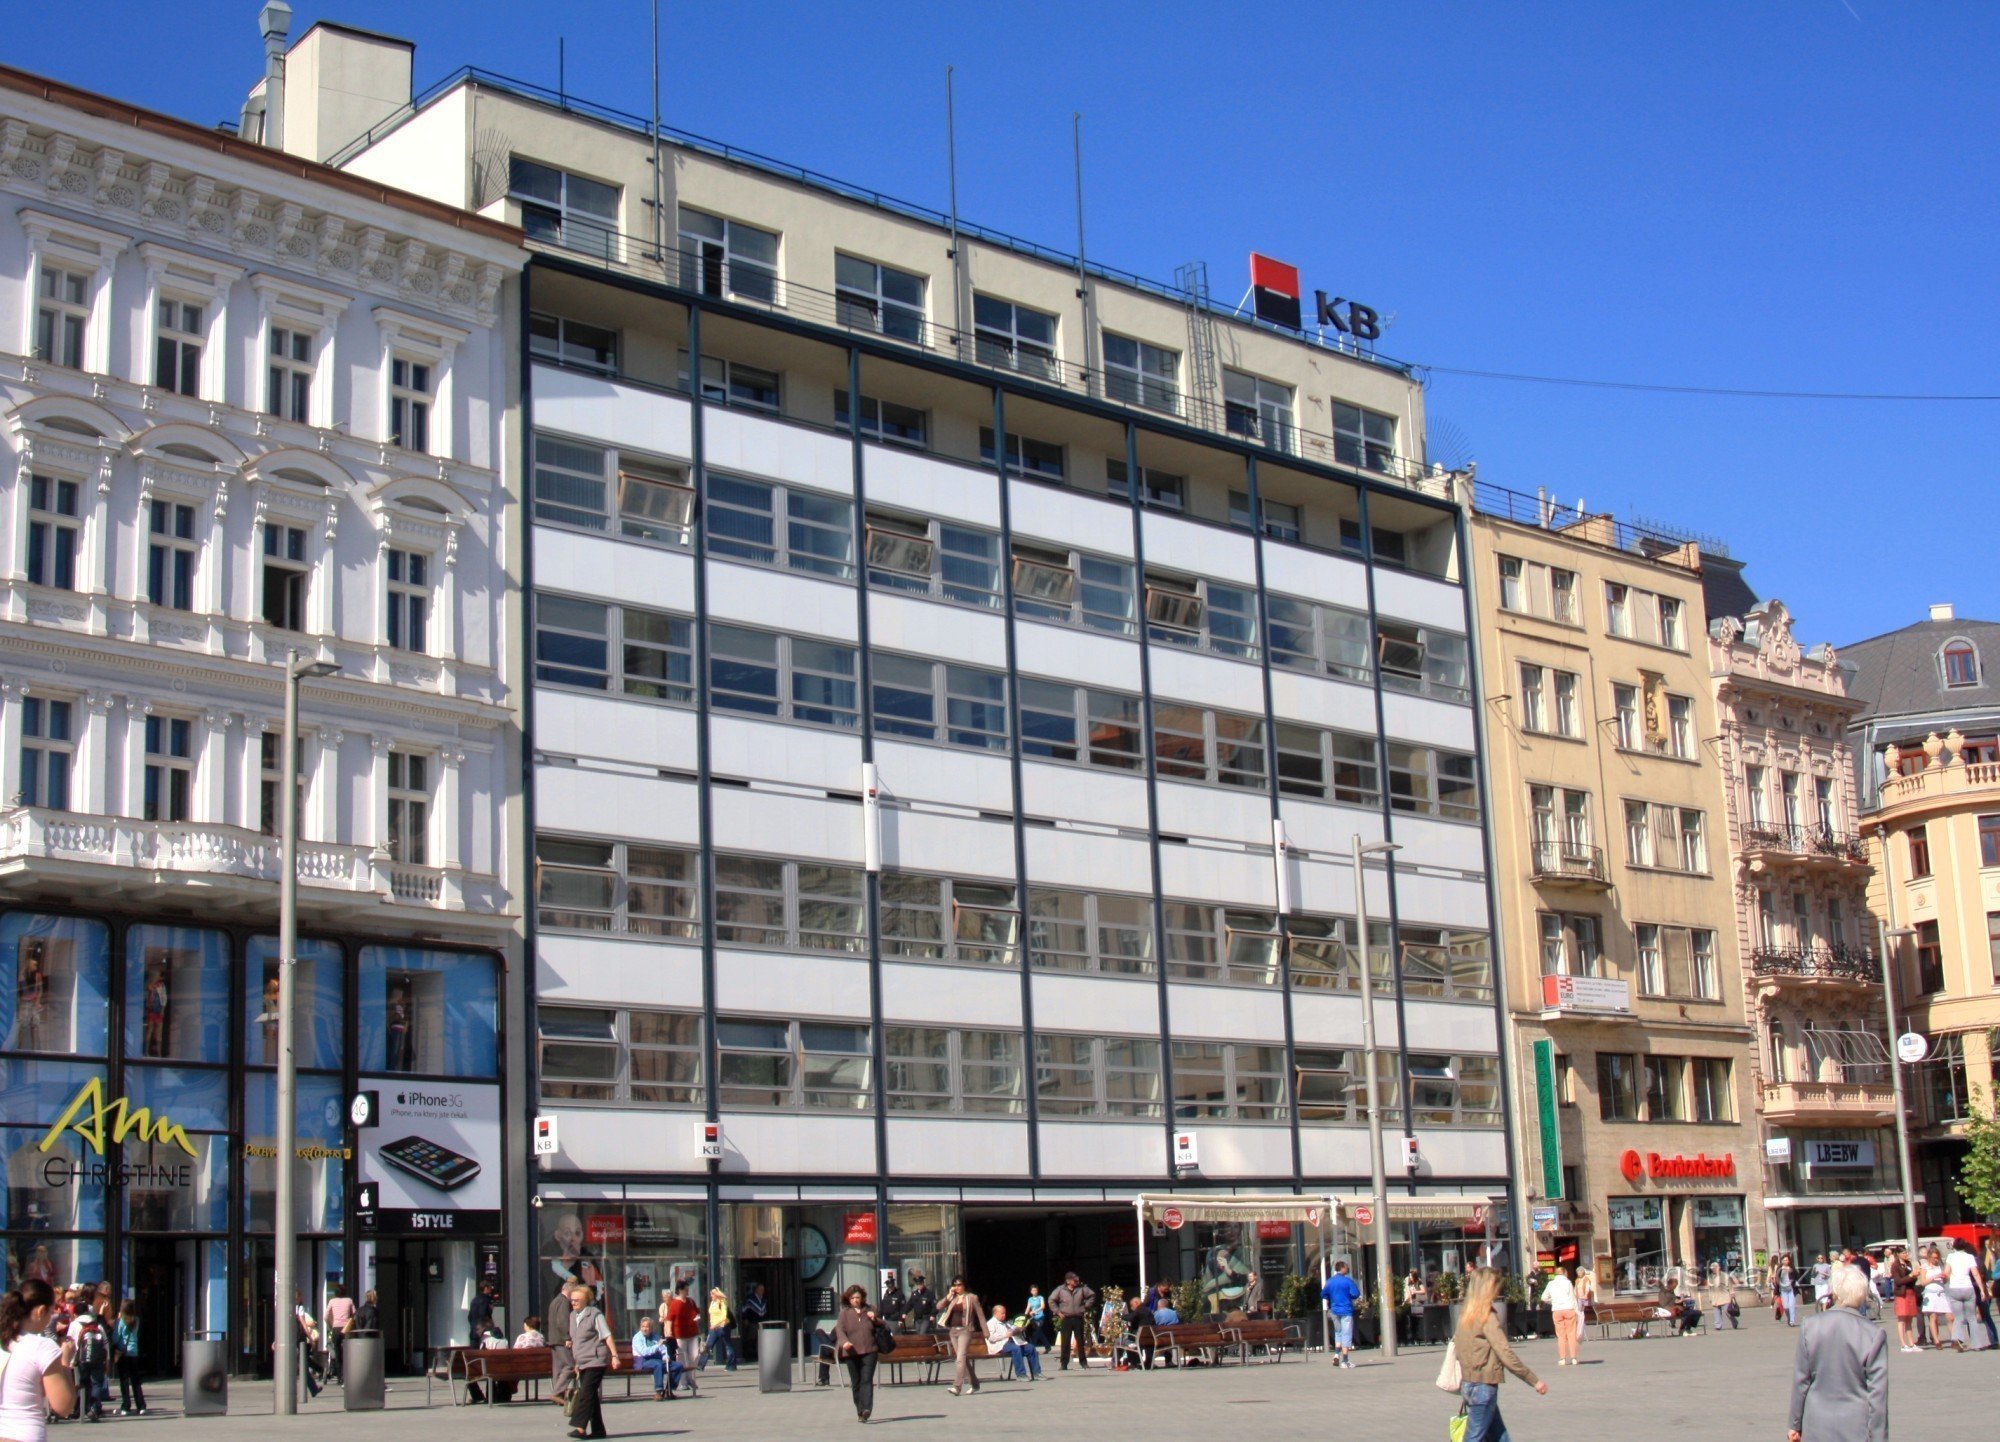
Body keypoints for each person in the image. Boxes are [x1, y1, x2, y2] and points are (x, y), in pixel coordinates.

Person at [1787, 1263, 1887, 1442]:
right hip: (1856, 1424)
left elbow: (1801, 1380)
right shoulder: (1873, 1334)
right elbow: (1877, 1395)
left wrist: (1795, 1424)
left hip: (1816, 1423)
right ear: (1862, 1295)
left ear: (1834, 1292)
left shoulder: (1810, 1326)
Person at [1453, 1266, 1546, 1442]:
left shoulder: (1465, 1315)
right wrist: (1534, 1380)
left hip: (1469, 1383)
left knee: (1499, 1436)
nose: (1498, 1291)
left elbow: (1459, 1349)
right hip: (1483, 1385)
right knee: (1474, 1437)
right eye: (1496, 1286)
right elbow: (1505, 1353)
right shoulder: (1486, 1316)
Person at [0, 1279, 77, 1442]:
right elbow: (63, 1406)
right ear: (41, 1311)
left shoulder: (4, 1342)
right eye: (51, 1312)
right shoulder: (42, 1347)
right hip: (25, 1434)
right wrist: (66, 1363)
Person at [567, 1284, 618, 1440]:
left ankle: (580, 1427)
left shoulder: (595, 1314)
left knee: (586, 1393)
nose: (573, 1303)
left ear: (586, 1300)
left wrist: (615, 1355)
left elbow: (607, 1335)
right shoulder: (572, 1316)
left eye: (577, 1300)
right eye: (572, 1300)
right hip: (582, 1361)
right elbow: (576, 1340)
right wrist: (576, 1363)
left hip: (596, 1359)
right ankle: (598, 1430)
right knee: (591, 1396)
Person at [833, 1284, 880, 1422]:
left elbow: (883, 1325)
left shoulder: (870, 1310)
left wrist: (875, 1319)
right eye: (853, 1298)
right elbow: (839, 1330)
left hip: (870, 1350)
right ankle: (859, 1410)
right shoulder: (844, 1313)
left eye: (858, 1297)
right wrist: (844, 1342)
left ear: (862, 1298)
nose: (855, 1300)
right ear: (848, 1299)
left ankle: (866, 1409)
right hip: (851, 1352)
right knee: (856, 1382)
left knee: (867, 1379)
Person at [937, 1276, 987, 1396]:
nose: (957, 1287)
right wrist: (947, 1297)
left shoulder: (972, 1297)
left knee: (960, 1358)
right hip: (953, 1331)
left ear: (964, 1285)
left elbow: (980, 1315)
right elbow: (938, 1307)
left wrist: (986, 1332)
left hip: (966, 1330)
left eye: (959, 1285)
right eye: (955, 1285)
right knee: (963, 1359)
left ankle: (957, 1386)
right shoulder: (952, 1297)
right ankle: (975, 1384)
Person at [1943, 1238, 1985, 1352]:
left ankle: (1956, 1338)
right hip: (1968, 1287)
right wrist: (1981, 1290)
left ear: (1954, 1247)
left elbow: (1946, 1272)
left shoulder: (1951, 1257)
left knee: (1958, 1317)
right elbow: (1975, 1274)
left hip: (1955, 1288)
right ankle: (1977, 1344)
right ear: (1965, 1246)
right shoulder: (1969, 1257)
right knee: (1971, 1318)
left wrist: (1944, 1278)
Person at [69, 1305, 107, 1422]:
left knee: (83, 1383)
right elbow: (105, 1344)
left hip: (82, 1359)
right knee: (96, 1383)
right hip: (98, 1359)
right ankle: (94, 1409)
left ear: (75, 1314)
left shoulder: (74, 1324)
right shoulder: (98, 1325)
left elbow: (70, 1342)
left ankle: (80, 1410)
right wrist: (107, 1361)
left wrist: (71, 1360)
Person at [1321, 1260, 1361, 1371]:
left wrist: (1331, 1298)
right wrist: (1347, 1296)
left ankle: (1336, 1354)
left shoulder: (1330, 1281)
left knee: (1338, 1332)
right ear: (1342, 1268)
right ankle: (1345, 1361)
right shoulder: (1348, 1281)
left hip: (1334, 1310)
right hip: (1346, 1310)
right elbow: (1356, 1294)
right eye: (1346, 1267)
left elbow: (1323, 1294)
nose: (1347, 1269)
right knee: (1346, 1334)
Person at [1050, 1272, 1094, 1370]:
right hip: (1066, 1318)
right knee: (1065, 1342)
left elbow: (1092, 1295)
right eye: (1074, 1280)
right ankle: (1064, 1364)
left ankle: (1083, 1363)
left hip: (1078, 1317)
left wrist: (1086, 1306)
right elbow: (1051, 1300)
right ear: (1068, 1281)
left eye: (1077, 1280)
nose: (1077, 1281)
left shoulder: (1082, 1288)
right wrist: (1058, 1312)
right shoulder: (1060, 1290)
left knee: (1080, 1341)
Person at [663, 1281, 701, 1394]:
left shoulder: (690, 1301)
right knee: (681, 1359)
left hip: (692, 1333)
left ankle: (691, 1379)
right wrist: (669, 1331)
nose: (687, 1291)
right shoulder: (674, 1303)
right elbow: (669, 1319)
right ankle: (683, 1382)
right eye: (685, 1289)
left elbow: (697, 1313)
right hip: (679, 1334)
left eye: (688, 1289)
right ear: (680, 1290)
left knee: (695, 1356)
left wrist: (697, 1318)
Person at [985, 1303, 1041, 1379]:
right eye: (1002, 1313)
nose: (1004, 1315)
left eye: (1005, 1313)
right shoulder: (990, 1323)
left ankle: (1037, 1373)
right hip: (999, 1345)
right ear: (995, 1313)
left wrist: (1019, 1329)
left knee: (1030, 1348)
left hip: (1011, 1342)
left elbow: (1012, 1331)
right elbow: (990, 1337)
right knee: (1016, 1349)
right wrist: (1005, 1335)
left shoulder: (1005, 1322)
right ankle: (1021, 1374)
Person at [1541, 1263, 1581, 1367]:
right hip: (1568, 1308)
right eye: (1566, 1272)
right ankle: (1573, 1358)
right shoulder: (1567, 1283)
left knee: (1561, 1335)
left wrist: (1553, 1302)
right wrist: (1577, 1312)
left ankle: (1562, 1358)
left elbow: (1544, 1297)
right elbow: (1573, 1298)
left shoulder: (1551, 1283)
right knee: (1571, 1334)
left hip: (1557, 1310)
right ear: (1563, 1273)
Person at [110, 1301, 144, 1416]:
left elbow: (115, 1338)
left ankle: (126, 1405)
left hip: (123, 1353)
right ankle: (141, 1405)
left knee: (124, 1380)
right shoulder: (136, 1320)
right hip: (134, 1352)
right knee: (136, 1380)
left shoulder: (120, 1322)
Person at [630, 1317, 672, 1400]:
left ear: (651, 1328)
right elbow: (644, 1352)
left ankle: (669, 1390)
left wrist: (665, 1356)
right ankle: (658, 1391)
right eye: (643, 1326)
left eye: (647, 1327)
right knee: (658, 1365)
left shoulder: (655, 1336)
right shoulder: (637, 1338)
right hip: (643, 1360)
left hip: (657, 1359)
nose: (645, 1329)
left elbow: (663, 1348)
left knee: (677, 1366)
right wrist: (657, 1346)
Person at [548, 1281, 576, 1404]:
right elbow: (563, 1321)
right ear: (569, 1291)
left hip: (554, 1339)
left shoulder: (555, 1301)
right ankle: (556, 1392)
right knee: (570, 1366)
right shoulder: (564, 1302)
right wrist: (567, 1338)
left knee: (558, 1369)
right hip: (561, 1339)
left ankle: (557, 1395)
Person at [1920, 1246, 1952, 1349]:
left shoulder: (1939, 1266)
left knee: (1949, 1317)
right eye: (1934, 1257)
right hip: (1930, 1293)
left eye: (1937, 1257)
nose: (1936, 1259)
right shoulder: (1924, 1267)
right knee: (1933, 1317)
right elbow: (1923, 1282)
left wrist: (1944, 1277)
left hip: (1941, 1293)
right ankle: (1937, 1341)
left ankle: (1954, 1339)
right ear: (1929, 1257)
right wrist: (1934, 1277)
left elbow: (1946, 1281)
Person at [1889, 1246, 1921, 1352]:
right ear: (1897, 1254)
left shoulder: (1908, 1264)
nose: (1905, 1255)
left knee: (1909, 1319)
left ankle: (1911, 1343)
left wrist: (1915, 1275)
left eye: (1906, 1253)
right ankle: (1903, 1344)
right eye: (1903, 1253)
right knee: (1902, 1319)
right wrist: (1911, 1275)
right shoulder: (1895, 1265)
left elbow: (1912, 1278)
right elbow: (1898, 1281)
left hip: (1910, 1292)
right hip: (1901, 1293)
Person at [322, 1284, 355, 1384]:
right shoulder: (349, 1301)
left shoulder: (332, 1301)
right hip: (346, 1329)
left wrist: (331, 1324)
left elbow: (325, 1316)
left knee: (337, 1352)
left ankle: (339, 1377)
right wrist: (350, 1323)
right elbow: (355, 1314)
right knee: (347, 1352)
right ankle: (347, 1375)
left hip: (336, 1328)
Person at [704, 1287, 737, 1370]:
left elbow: (723, 1316)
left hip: (723, 1326)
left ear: (717, 1295)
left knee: (728, 1345)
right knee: (708, 1345)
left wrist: (715, 1325)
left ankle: (731, 1366)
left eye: (712, 1294)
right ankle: (700, 1365)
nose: (711, 1296)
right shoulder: (712, 1303)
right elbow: (711, 1315)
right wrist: (712, 1325)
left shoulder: (722, 1303)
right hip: (713, 1328)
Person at [1772, 1253, 1800, 1327]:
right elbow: (1777, 1280)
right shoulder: (1780, 1268)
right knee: (1786, 1306)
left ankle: (1792, 1321)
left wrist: (1792, 1271)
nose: (1785, 1261)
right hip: (1783, 1290)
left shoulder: (1791, 1268)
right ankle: (1789, 1317)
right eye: (1784, 1260)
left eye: (1787, 1260)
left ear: (1789, 1261)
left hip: (1791, 1289)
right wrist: (1776, 1292)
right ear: (1782, 1261)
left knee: (1792, 1305)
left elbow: (1797, 1276)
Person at [1022, 1284, 1047, 1350]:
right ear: (1031, 1291)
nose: (1034, 1292)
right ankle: (1048, 1347)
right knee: (1039, 1332)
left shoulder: (1040, 1297)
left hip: (1040, 1317)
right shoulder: (1030, 1299)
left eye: (1036, 1290)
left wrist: (1035, 1311)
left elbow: (1043, 1306)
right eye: (1033, 1290)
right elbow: (1028, 1308)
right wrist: (1024, 1315)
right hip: (1033, 1318)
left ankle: (1032, 1347)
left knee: (1036, 1332)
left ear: (1037, 1291)